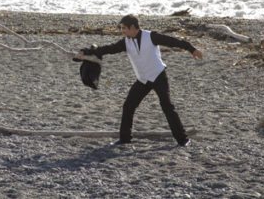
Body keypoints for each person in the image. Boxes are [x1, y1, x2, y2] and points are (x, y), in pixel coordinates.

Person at [76, 14, 203, 147]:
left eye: (124, 28)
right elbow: (107, 49)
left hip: (158, 75)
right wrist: (86, 52)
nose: (122, 31)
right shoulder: (126, 42)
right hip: (143, 79)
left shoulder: (151, 36)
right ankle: (125, 139)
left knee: (167, 107)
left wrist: (192, 49)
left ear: (132, 27)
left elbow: (173, 41)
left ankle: (183, 140)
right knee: (128, 106)